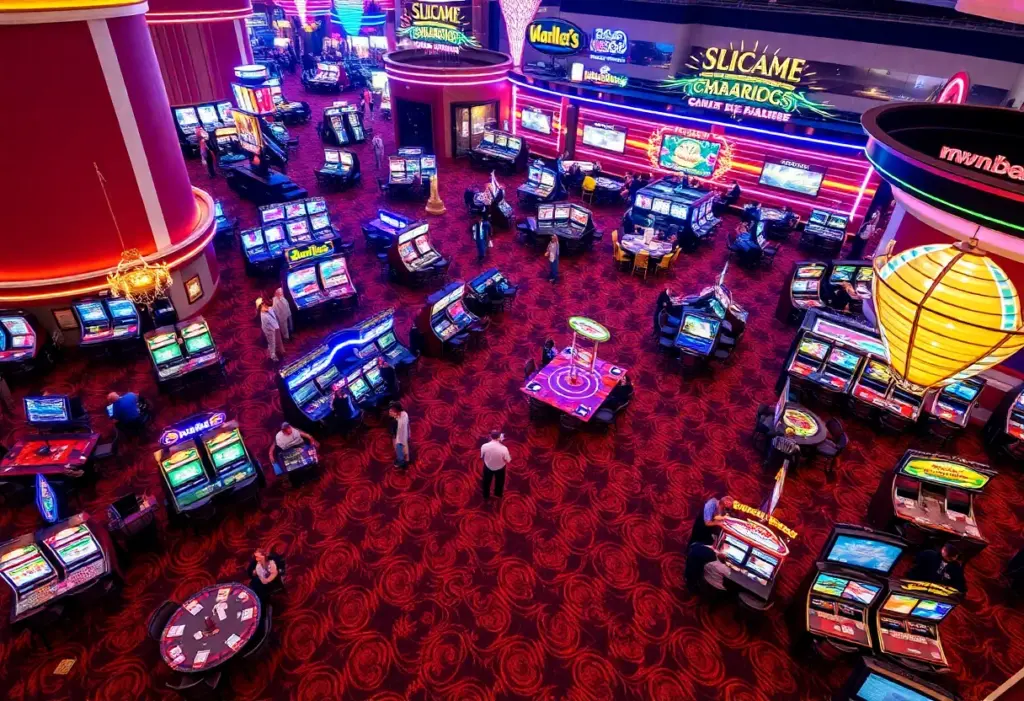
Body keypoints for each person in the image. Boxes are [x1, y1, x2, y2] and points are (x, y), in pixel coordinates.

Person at [480, 430, 511, 501]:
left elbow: (482, 456)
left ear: (490, 437)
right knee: (499, 482)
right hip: (500, 467)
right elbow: (508, 460)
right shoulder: (504, 449)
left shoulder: (484, 446)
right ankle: (498, 493)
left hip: (487, 466)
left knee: (486, 481)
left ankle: (486, 495)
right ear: (499, 438)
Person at [389, 401, 410, 469]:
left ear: (396, 412)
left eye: (391, 411)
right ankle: (407, 460)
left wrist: (395, 440)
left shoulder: (395, 422)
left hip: (399, 438)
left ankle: (401, 463)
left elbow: (396, 435)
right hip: (405, 434)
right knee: (405, 446)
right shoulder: (404, 414)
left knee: (399, 450)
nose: (389, 412)